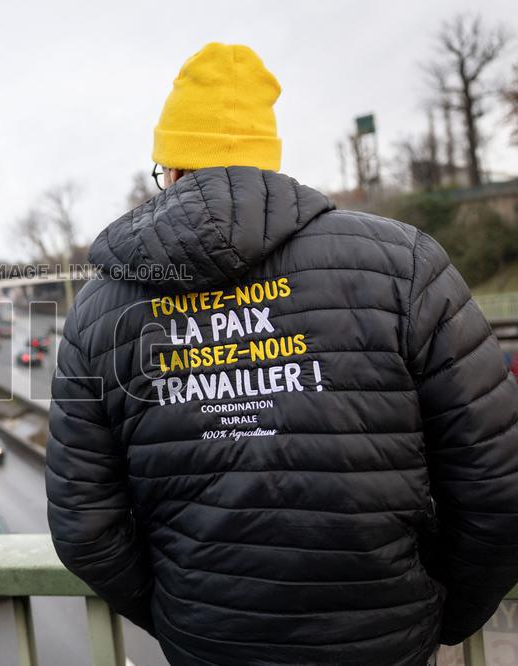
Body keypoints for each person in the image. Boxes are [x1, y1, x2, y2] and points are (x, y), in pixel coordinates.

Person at [46, 42, 518, 666]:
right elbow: (496, 485)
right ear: (266, 161)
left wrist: (183, 618)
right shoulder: (404, 266)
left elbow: (85, 527)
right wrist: (435, 617)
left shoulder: (99, 310)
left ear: (172, 167)